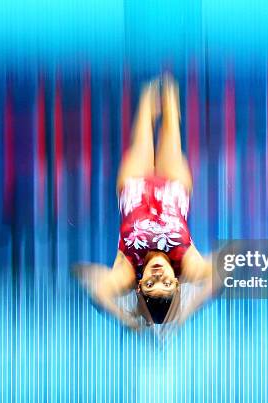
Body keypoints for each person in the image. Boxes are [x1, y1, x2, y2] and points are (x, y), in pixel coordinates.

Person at [75, 75, 219, 330]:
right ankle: (171, 74)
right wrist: (184, 315)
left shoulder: (128, 270)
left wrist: (128, 321)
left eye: (151, 285)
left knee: (143, 122)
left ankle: (150, 84)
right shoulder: (188, 264)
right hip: (175, 184)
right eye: (166, 284)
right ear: (176, 283)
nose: (158, 277)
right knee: (171, 122)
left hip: (134, 183)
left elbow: (95, 291)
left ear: (140, 286)